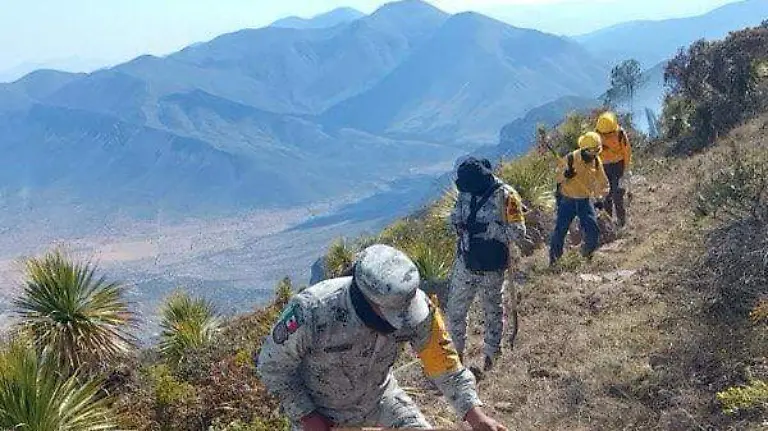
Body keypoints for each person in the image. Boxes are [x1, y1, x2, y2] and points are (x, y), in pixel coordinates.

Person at [257, 244, 508, 431]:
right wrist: (307, 416)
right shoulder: (312, 311)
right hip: (320, 412)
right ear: (366, 300)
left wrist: (477, 417)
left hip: (380, 398)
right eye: (392, 312)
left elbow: (445, 366)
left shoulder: (415, 307)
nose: (402, 319)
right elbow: (273, 368)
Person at [447, 157, 533, 372]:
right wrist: (458, 224)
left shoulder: (505, 195)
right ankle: (455, 359)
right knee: (455, 311)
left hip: (492, 265)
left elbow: (518, 232)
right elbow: (455, 215)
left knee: (492, 310)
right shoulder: (466, 190)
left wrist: (489, 231)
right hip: (466, 260)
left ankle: (491, 355)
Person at [549, 132, 610, 266]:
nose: (594, 156)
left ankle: (586, 256)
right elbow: (557, 177)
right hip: (567, 201)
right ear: (584, 150)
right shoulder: (570, 159)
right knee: (560, 232)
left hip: (585, 201)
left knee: (593, 230)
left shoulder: (596, 161)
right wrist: (566, 175)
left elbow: (603, 182)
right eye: (592, 153)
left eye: (596, 153)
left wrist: (600, 197)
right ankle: (554, 263)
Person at [595, 111, 632, 227]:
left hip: (618, 166)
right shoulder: (596, 136)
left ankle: (621, 222)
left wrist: (626, 170)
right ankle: (609, 224)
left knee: (617, 195)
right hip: (604, 168)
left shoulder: (620, 133)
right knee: (606, 196)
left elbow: (627, 152)